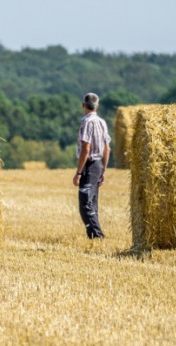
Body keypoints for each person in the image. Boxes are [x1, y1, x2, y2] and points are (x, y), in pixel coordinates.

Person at [73, 92, 111, 239]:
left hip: (89, 167)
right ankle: (95, 237)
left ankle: (97, 237)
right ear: (97, 106)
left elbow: (86, 148)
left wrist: (79, 172)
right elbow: (107, 149)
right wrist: (103, 171)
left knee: (85, 205)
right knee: (93, 205)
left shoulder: (86, 122)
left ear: (83, 106)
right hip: (98, 165)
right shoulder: (102, 122)